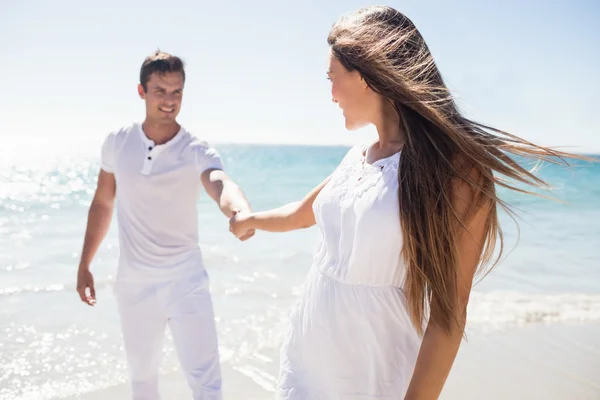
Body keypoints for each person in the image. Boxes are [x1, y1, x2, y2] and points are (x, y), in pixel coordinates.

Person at [229, 6, 585, 399]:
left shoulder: (455, 172)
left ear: (366, 75)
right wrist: (250, 219)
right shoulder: (359, 156)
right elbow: (301, 214)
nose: (329, 95)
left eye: (333, 79)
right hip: (307, 362)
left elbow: (450, 315)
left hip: (376, 377)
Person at [76, 50, 254, 400]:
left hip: (185, 281)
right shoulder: (117, 142)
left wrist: (238, 209)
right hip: (134, 284)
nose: (169, 101)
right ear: (142, 91)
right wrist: (84, 264)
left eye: (177, 92)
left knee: (207, 382)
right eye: (160, 91)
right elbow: (102, 202)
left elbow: (219, 181)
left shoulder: (195, 149)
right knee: (142, 380)